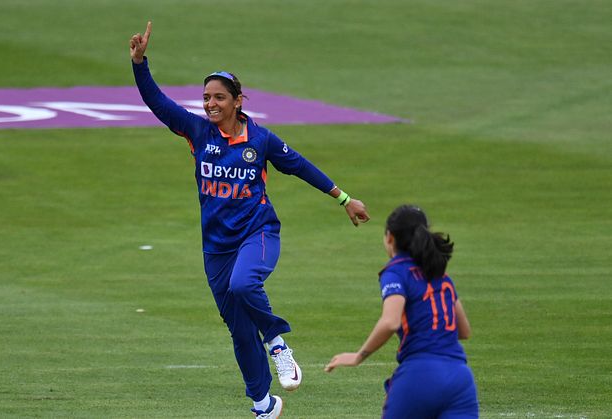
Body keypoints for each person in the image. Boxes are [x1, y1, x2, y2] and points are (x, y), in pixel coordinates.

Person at [129, 21, 371, 418]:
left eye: (219, 98)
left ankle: (278, 341)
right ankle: (264, 405)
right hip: (216, 248)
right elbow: (158, 103)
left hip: (258, 233)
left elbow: (300, 166)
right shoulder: (196, 131)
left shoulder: (261, 140)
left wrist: (343, 198)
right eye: (206, 97)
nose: (210, 104)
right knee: (240, 331)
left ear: (238, 101)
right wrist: (140, 63)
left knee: (245, 285)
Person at [325, 204, 479, 418]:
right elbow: (464, 331)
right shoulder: (440, 273)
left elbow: (390, 322)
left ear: (390, 237)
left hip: (419, 375)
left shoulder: (396, 271)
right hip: (460, 379)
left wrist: (358, 357)